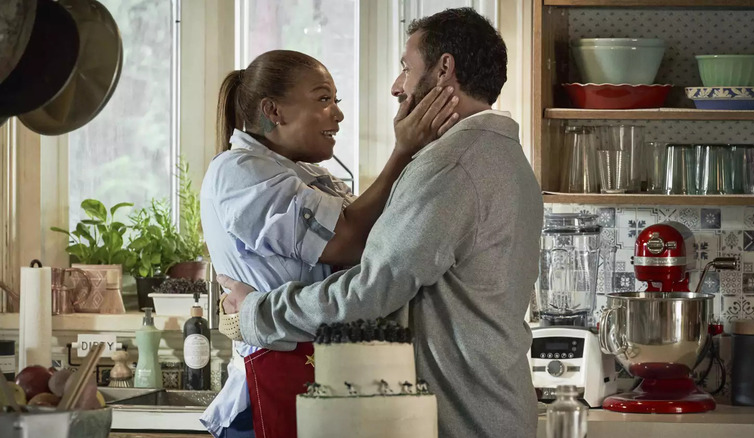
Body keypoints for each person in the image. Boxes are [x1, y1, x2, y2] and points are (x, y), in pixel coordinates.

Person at [219, 8, 544, 438]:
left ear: (444, 69)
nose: (397, 86)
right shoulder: (504, 154)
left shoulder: (452, 164)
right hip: (495, 407)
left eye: (406, 68)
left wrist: (257, 312)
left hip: (465, 419)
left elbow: (370, 292)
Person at [199, 50, 459, 438]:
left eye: (336, 100)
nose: (337, 114)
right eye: (323, 99)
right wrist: (402, 151)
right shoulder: (238, 171)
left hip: (321, 379)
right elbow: (347, 241)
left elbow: (377, 239)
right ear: (274, 110)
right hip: (268, 387)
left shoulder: (308, 173)